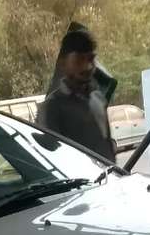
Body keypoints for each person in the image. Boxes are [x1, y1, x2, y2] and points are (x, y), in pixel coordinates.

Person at [38, 28, 116, 163]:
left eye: (91, 59)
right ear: (63, 63)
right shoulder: (51, 107)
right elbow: (52, 160)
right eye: (79, 60)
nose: (87, 67)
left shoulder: (98, 99)